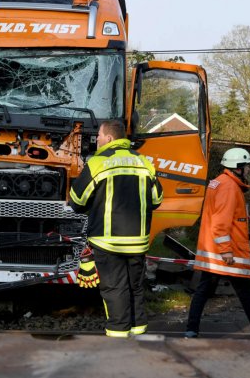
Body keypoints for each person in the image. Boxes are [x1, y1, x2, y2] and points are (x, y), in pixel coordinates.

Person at [184, 147, 250, 341]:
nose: (249, 170)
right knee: (247, 294)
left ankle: (191, 331)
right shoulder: (229, 187)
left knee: (203, 290)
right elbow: (220, 222)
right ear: (238, 168)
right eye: (247, 167)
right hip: (228, 255)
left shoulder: (219, 182)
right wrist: (226, 251)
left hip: (212, 252)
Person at [68, 120, 163, 338]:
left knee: (115, 290)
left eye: (99, 135)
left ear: (109, 138)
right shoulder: (143, 162)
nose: (97, 139)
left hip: (107, 242)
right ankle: (139, 333)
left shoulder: (98, 162)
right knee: (135, 288)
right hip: (138, 241)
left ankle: (119, 339)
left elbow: (76, 200)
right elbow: (157, 199)